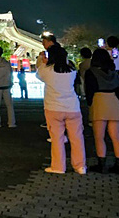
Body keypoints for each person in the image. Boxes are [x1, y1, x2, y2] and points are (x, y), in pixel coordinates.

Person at [37, 43, 86, 174]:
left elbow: (38, 75)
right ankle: (80, 166)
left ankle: (58, 167)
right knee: (77, 138)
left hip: (53, 108)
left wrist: (43, 62)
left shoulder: (47, 71)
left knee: (57, 139)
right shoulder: (71, 70)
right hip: (72, 107)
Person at [84, 48, 119, 174]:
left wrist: (90, 104)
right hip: (114, 101)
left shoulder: (91, 72)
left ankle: (101, 164)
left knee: (99, 136)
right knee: (115, 136)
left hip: (99, 100)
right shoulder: (113, 71)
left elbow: (89, 91)